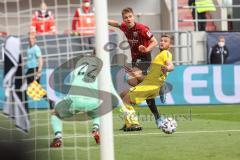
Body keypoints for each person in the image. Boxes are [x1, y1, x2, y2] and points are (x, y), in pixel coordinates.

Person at [108, 7, 165, 131]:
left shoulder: (142, 28)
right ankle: (156, 117)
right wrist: (101, 19)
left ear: (133, 16)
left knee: (129, 78)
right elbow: (116, 24)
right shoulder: (124, 27)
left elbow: (154, 42)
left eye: (130, 17)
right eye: (125, 17)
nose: (128, 19)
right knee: (142, 90)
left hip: (144, 58)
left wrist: (147, 49)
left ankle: (156, 86)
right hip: (135, 60)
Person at [120, 34, 174, 129]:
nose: (162, 42)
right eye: (161, 40)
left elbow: (171, 66)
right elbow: (150, 77)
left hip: (151, 86)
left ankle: (133, 123)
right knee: (123, 95)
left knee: (126, 100)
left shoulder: (166, 53)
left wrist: (167, 68)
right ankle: (129, 121)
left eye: (165, 41)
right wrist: (136, 75)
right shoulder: (159, 57)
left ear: (170, 45)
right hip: (149, 84)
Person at [50, 50, 102, 147]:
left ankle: (58, 137)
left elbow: (70, 84)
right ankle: (95, 128)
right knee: (102, 110)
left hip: (74, 100)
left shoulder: (77, 69)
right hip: (92, 102)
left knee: (55, 114)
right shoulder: (102, 69)